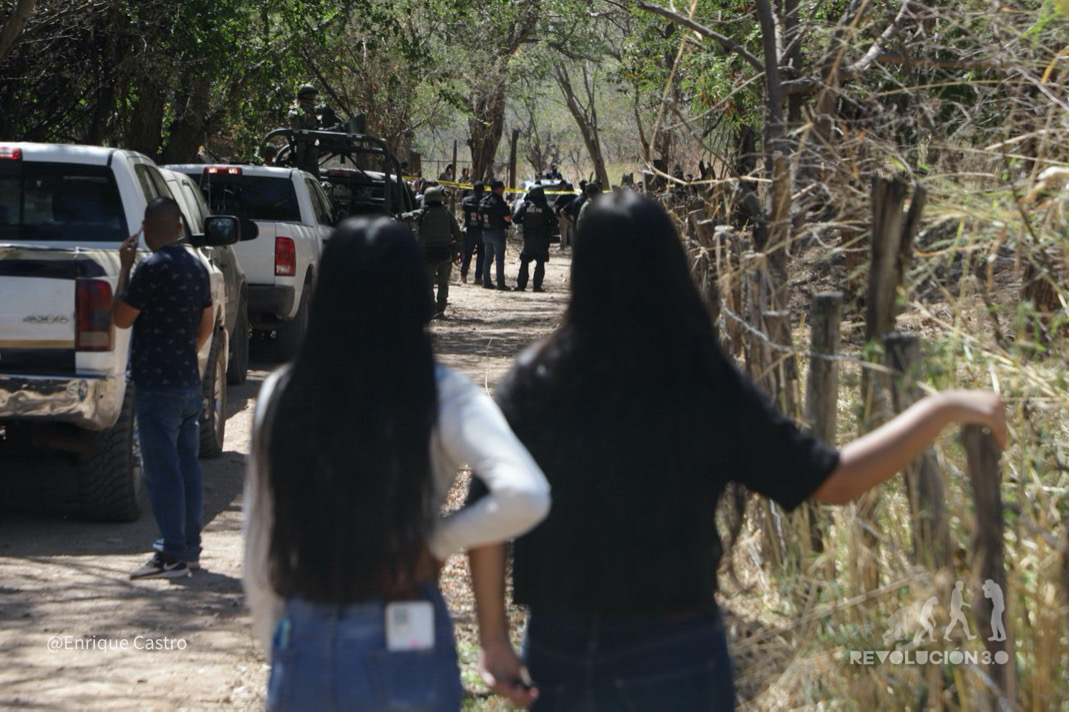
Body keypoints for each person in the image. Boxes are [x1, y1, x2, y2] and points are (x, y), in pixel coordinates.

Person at [466, 192, 1007, 709]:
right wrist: (939, 409)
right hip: (677, 652)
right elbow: (835, 480)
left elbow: (486, 515)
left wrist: (493, 639)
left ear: (581, 272)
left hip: (561, 651)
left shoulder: (533, 382)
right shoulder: (704, 382)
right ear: (672, 269)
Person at [242, 218, 550, 711]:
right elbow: (526, 495)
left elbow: (261, 535)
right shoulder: (444, 394)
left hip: (306, 628)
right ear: (417, 293)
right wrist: (435, 540)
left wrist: (278, 636)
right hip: (405, 629)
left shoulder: (283, 392)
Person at [113, 197, 214, 579]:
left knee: (162, 472)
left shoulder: (150, 267)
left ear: (146, 230)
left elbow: (121, 318)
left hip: (157, 384)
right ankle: (189, 549)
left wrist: (125, 268)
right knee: (187, 468)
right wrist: (188, 352)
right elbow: (207, 322)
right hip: (188, 381)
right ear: (179, 227)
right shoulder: (197, 266)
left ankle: (172, 554)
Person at [402, 187, 462, 318]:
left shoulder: (422, 213)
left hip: (428, 255)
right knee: (443, 283)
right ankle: (440, 309)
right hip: (445, 254)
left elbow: (405, 217)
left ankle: (431, 308)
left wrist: (393, 215)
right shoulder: (447, 214)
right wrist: (457, 252)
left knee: (428, 283)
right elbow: (458, 235)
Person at [513, 185, 557, 292]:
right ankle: (537, 287)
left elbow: (515, 219)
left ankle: (521, 286)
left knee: (525, 261)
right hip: (542, 239)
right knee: (540, 262)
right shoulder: (545, 207)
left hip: (529, 238)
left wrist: (524, 222)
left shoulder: (525, 205)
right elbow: (555, 221)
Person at [479, 179, 512, 291]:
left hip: (485, 233)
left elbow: (479, 217)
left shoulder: (484, 200)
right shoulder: (499, 202)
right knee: (499, 259)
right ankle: (500, 284)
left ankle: (486, 282)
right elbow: (507, 218)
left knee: (487, 258)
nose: (504, 189)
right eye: (502, 187)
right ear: (498, 189)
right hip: (497, 233)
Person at [288, 84, 321, 176]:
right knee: (304, 173)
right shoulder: (296, 111)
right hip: (302, 148)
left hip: (311, 148)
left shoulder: (311, 111)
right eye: (311, 96)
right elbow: (298, 132)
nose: (312, 99)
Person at [460, 182, 486, 284]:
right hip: (482, 230)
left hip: (470, 230)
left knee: (467, 254)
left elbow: (463, 207)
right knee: (481, 254)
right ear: (483, 190)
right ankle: (478, 278)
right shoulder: (485, 200)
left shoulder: (466, 201)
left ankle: (463, 276)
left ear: (473, 189)